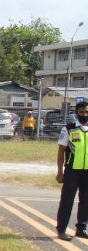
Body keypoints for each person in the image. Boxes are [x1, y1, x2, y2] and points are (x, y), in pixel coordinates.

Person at [55, 101, 88, 241]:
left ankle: (81, 228)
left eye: (87, 112)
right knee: (67, 201)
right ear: (76, 113)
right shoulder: (68, 129)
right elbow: (61, 151)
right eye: (82, 112)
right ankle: (61, 229)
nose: (85, 115)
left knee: (86, 201)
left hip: (87, 172)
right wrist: (60, 171)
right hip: (72, 172)